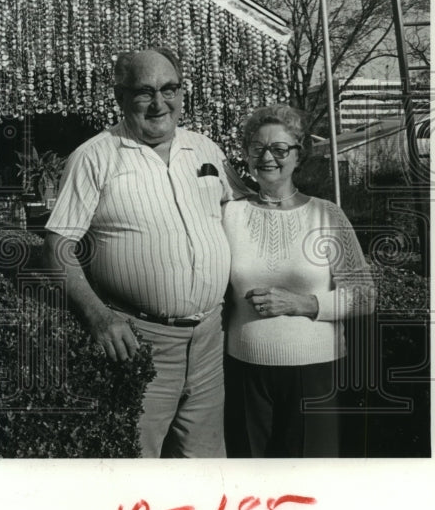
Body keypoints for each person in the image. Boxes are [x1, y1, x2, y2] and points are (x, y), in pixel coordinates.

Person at [44, 48, 248, 458]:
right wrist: (97, 316)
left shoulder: (206, 150)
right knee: (137, 467)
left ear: (182, 91)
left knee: (206, 468)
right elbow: (58, 245)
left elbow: (243, 212)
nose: (160, 104)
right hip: (142, 342)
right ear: (121, 97)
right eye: (145, 92)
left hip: (210, 338)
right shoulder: (94, 157)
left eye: (170, 89)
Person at [222, 104, 375, 457]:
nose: (267, 158)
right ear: (246, 154)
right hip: (245, 371)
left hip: (314, 372)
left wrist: (301, 303)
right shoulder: (230, 214)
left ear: (298, 154)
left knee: (309, 482)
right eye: (257, 148)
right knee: (252, 486)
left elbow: (365, 296)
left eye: (279, 149)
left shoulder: (327, 214)